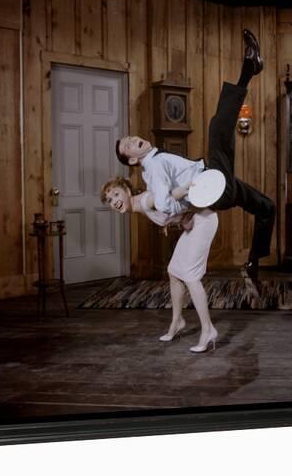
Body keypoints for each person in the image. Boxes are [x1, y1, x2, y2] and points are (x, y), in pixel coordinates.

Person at [115, 29, 275, 281]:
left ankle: (253, 263)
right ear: (133, 159)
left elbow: (166, 206)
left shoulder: (156, 161)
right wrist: (187, 197)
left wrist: (182, 214)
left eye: (130, 138)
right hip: (212, 187)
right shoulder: (153, 167)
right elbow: (165, 204)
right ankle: (249, 67)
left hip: (217, 187)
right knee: (217, 128)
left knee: (266, 207)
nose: (134, 140)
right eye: (129, 146)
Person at [100, 176, 219, 353]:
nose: (115, 201)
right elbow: (170, 209)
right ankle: (177, 322)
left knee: (190, 275)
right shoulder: (141, 206)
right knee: (174, 271)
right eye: (110, 200)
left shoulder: (146, 201)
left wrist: (187, 188)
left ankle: (208, 330)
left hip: (204, 220)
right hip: (194, 221)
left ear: (127, 190)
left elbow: (172, 196)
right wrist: (173, 220)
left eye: (117, 194)